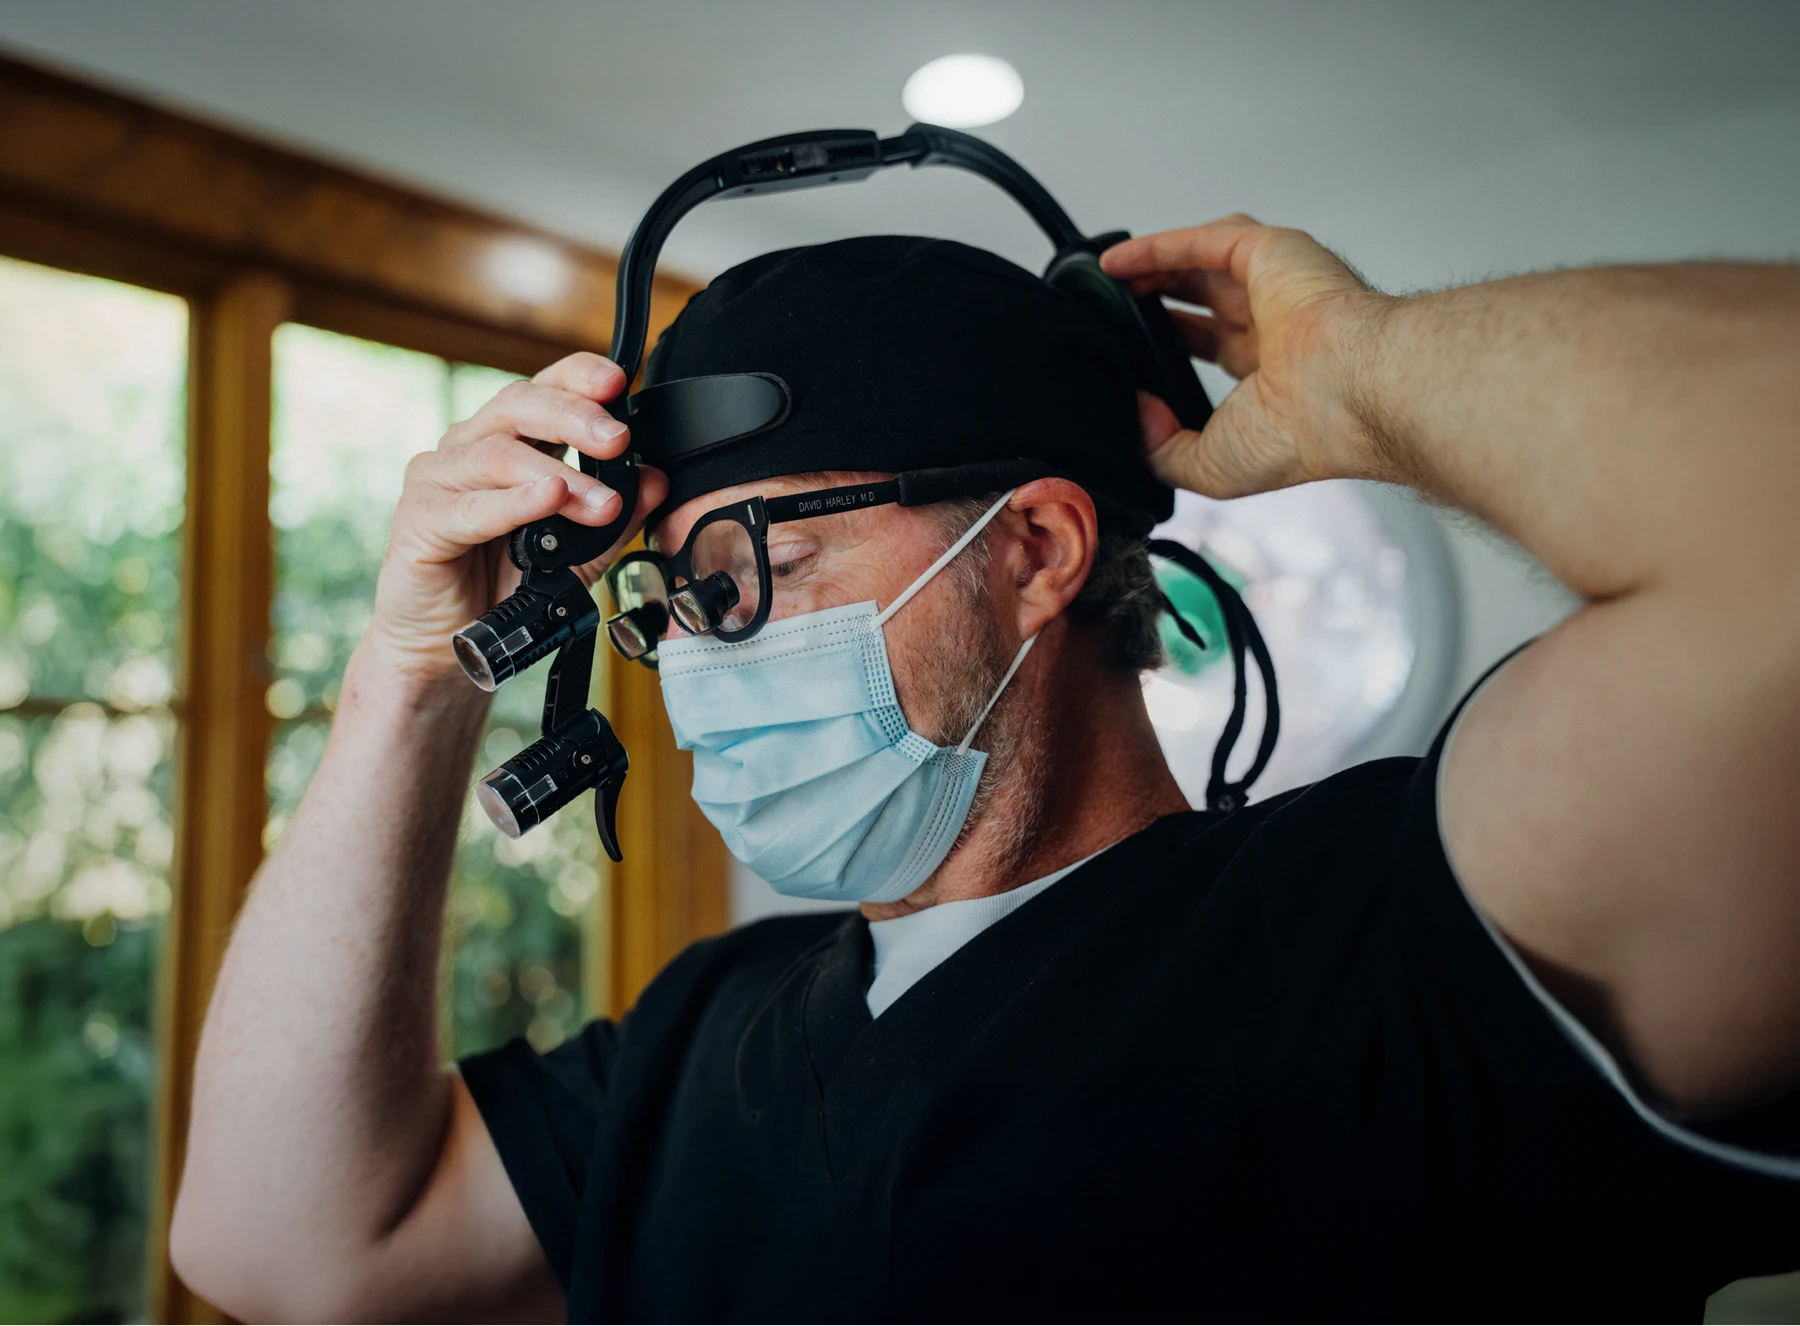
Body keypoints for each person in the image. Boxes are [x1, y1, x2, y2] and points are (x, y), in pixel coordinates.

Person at [169, 222, 1800, 1321]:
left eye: (749, 566)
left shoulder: (1409, 934)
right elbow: (273, 1239)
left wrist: (1360, 371)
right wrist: (409, 668)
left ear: (1031, 547)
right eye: (673, 600)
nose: (707, 650)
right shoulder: (704, 1037)